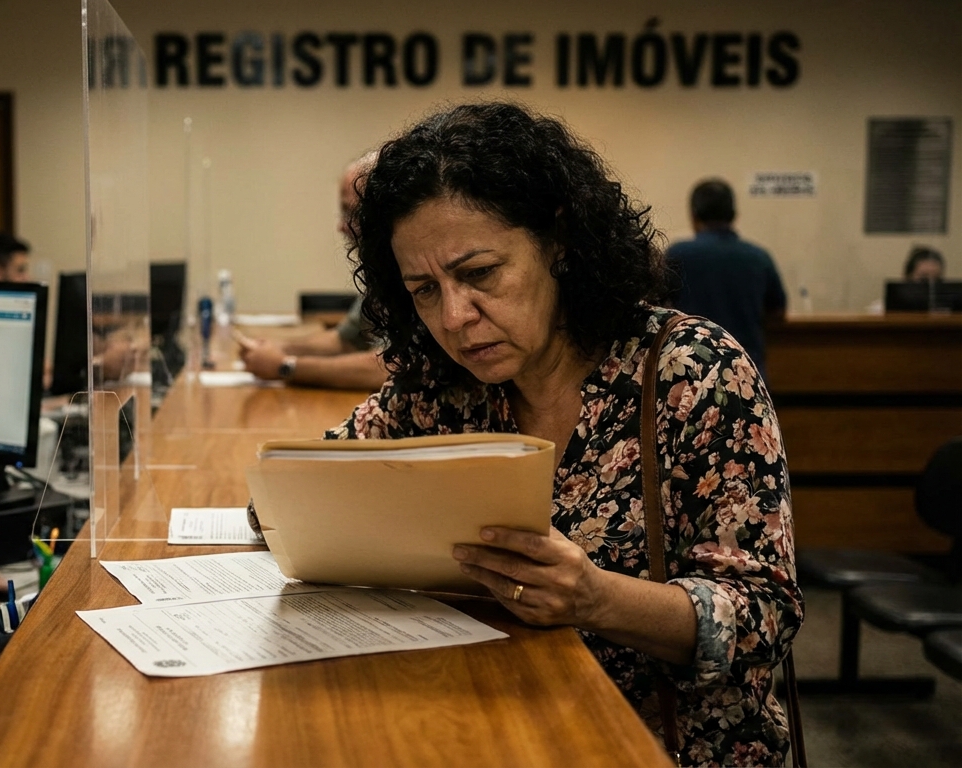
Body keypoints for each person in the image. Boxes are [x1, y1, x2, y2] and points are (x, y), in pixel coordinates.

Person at [329, 103, 801, 766]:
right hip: (495, 729)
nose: (456, 317)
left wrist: (598, 598)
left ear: (558, 243)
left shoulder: (691, 372)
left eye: (480, 274)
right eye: (423, 290)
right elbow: (314, 481)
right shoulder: (444, 386)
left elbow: (764, 615)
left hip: (662, 747)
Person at [237, 153, 389, 391]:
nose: (341, 226)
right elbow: (346, 341)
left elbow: (390, 369)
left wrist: (285, 366)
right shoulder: (380, 273)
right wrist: (277, 348)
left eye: (350, 212)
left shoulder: (414, 273)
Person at [665, 179, 787, 375]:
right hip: (746, 370)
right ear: (734, 215)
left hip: (690, 369)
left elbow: (660, 307)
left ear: (694, 215)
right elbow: (778, 312)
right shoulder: (758, 257)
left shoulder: (678, 255)